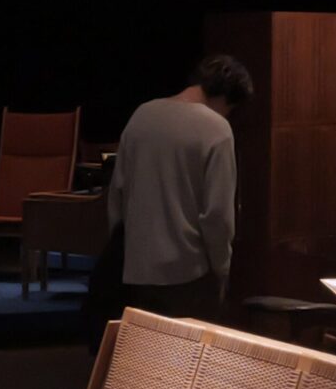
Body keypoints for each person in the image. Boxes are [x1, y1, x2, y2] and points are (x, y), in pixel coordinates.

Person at [100, 54, 253, 325]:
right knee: (189, 352)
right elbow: (217, 215)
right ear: (225, 97)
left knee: (144, 350)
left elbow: (117, 195)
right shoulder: (217, 129)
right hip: (189, 274)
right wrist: (222, 269)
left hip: (137, 271)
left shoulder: (141, 116)